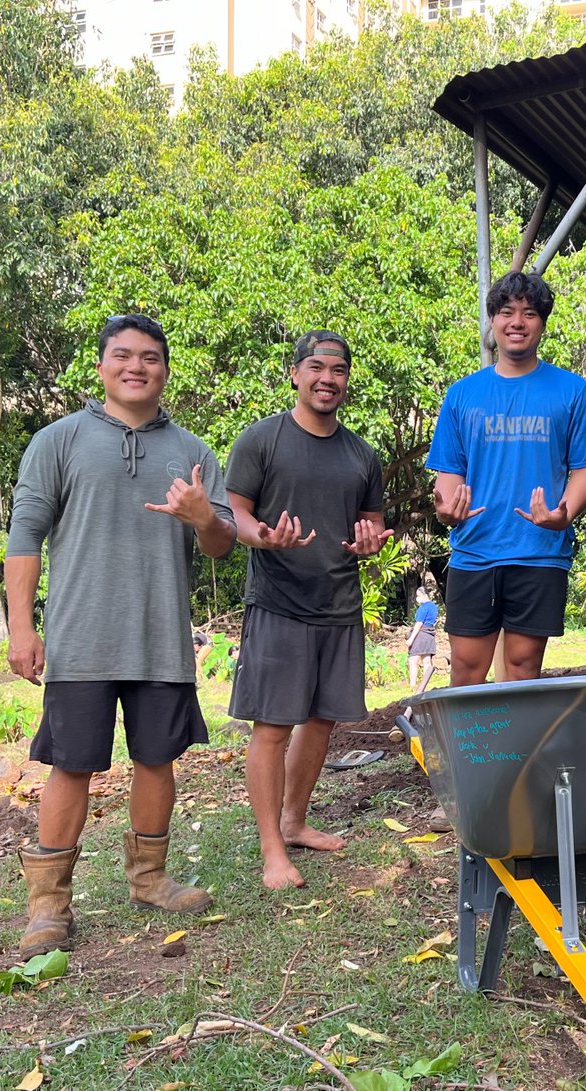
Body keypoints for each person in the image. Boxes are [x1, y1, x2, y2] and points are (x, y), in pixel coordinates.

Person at [6, 313, 237, 956]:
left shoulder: (193, 452)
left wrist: (200, 518)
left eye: (151, 357)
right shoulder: (59, 440)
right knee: (70, 765)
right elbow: (25, 536)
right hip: (82, 636)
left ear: (165, 369)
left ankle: (150, 879)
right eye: (124, 355)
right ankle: (49, 906)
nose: (137, 366)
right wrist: (23, 628)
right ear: (102, 366)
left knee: (157, 759)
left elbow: (221, 543)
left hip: (162, 636)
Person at [225, 330, 389, 890]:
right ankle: (272, 848)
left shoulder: (363, 455)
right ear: (295, 374)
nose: (327, 378)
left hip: (339, 603)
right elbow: (235, 514)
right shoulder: (262, 441)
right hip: (278, 603)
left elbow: (373, 526)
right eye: (316, 367)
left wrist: (373, 542)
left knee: (322, 720)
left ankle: (294, 822)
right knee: (271, 727)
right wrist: (262, 536)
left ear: (347, 380)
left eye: (338, 370)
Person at [427, 270, 586, 686]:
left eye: (529, 313)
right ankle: (469, 753)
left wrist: (564, 514)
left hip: (539, 552)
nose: (517, 322)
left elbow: (584, 470)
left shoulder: (573, 391)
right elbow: (449, 474)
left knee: (523, 669)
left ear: (542, 322)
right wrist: (448, 510)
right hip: (475, 550)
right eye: (506, 312)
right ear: (492, 320)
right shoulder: (462, 394)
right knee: (467, 669)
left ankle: (515, 754)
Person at [406, 586, 439, 693]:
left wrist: (411, 639)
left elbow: (419, 624)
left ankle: (413, 684)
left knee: (413, 660)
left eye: (418, 596)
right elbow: (434, 621)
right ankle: (425, 685)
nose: (417, 598)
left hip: (421, 635)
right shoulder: (434, 607)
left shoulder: (423, 607)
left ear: (424, 595)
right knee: (426, 661)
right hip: (430, 635)